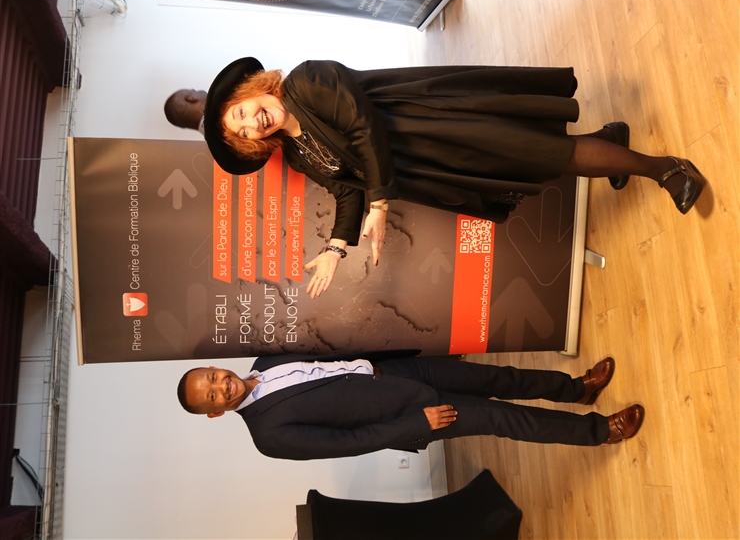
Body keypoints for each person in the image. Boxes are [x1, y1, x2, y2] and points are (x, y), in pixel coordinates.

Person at [203, 58, 708, 299]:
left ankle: (665, 168)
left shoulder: (307, 81)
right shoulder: (296, 155)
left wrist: (380, 204)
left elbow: (363, 126)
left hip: (440, 126)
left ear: (251, 90)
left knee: (550, 155)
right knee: (531, 164)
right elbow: (344, 188)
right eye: (243, 132)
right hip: (431, 165)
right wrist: (337, 247)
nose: (252, 123)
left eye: (242, 112)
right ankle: (611, 139)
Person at [177, 351, 645, 461]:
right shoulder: (268, 436)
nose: (221, 386)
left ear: (215, 367)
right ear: (215, 412)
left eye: (212, 377)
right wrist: (414, 426)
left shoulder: (263, 361)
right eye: (212, 396)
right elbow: (348, 443)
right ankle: (600, 431)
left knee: (496, 376)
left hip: (397, 371)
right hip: (412, 415)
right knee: (504, 417)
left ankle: (576, 388)